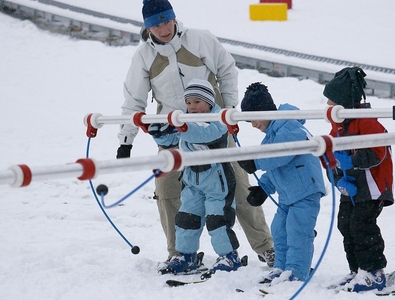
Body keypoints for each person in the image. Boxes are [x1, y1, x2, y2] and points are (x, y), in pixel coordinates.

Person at [115, 0, 274, 272]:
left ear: (174, 18)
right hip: (173, 137)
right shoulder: (143, 56)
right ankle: (180, 253)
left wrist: (230, 112)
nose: (163, 29)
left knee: (238, 185)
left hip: (215, 131)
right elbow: (134, 99)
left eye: (166, 21)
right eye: (155, 25)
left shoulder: (200, 39)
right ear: (147, 27)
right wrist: (125, 141)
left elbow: (227, 69)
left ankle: (267, 248)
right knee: (167, 192)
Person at [149, 79, 242, 274]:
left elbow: (202, 135)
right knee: (186, 218)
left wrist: (180, 127)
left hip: (218, 181)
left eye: (197, 102)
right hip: (192, 180)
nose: (192, 107)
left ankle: (229, 256)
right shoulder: (186, 121)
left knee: (218, 220)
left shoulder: (219, 120)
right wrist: (158, 131)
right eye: (189, 103)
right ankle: (187, 255)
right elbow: (172, 139)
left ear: (208, 102)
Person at [237, 82, 326, 284]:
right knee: (279, 230)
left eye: (254, 119)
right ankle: (281, 267)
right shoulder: (271, 136)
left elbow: (281, 154)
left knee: (298, 232)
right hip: (288, 195)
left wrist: (256, 161)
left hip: (305, 192)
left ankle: (296, 271)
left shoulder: (289, 125)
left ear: (265, 111)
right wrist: (263, 188)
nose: (253, 124)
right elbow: (275, 167)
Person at [322, 67, 394, 292]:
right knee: (345, 224)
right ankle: (358, 270)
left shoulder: (365, 121)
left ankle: (375, 273)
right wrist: (337, 179)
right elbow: (332, 160)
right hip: (351, 189)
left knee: (361, 226)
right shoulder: (338, 127)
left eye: (331, 101)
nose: (327, 107)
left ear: (344, 103)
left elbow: (378, 151)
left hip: (372, 187)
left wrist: (351, 160)